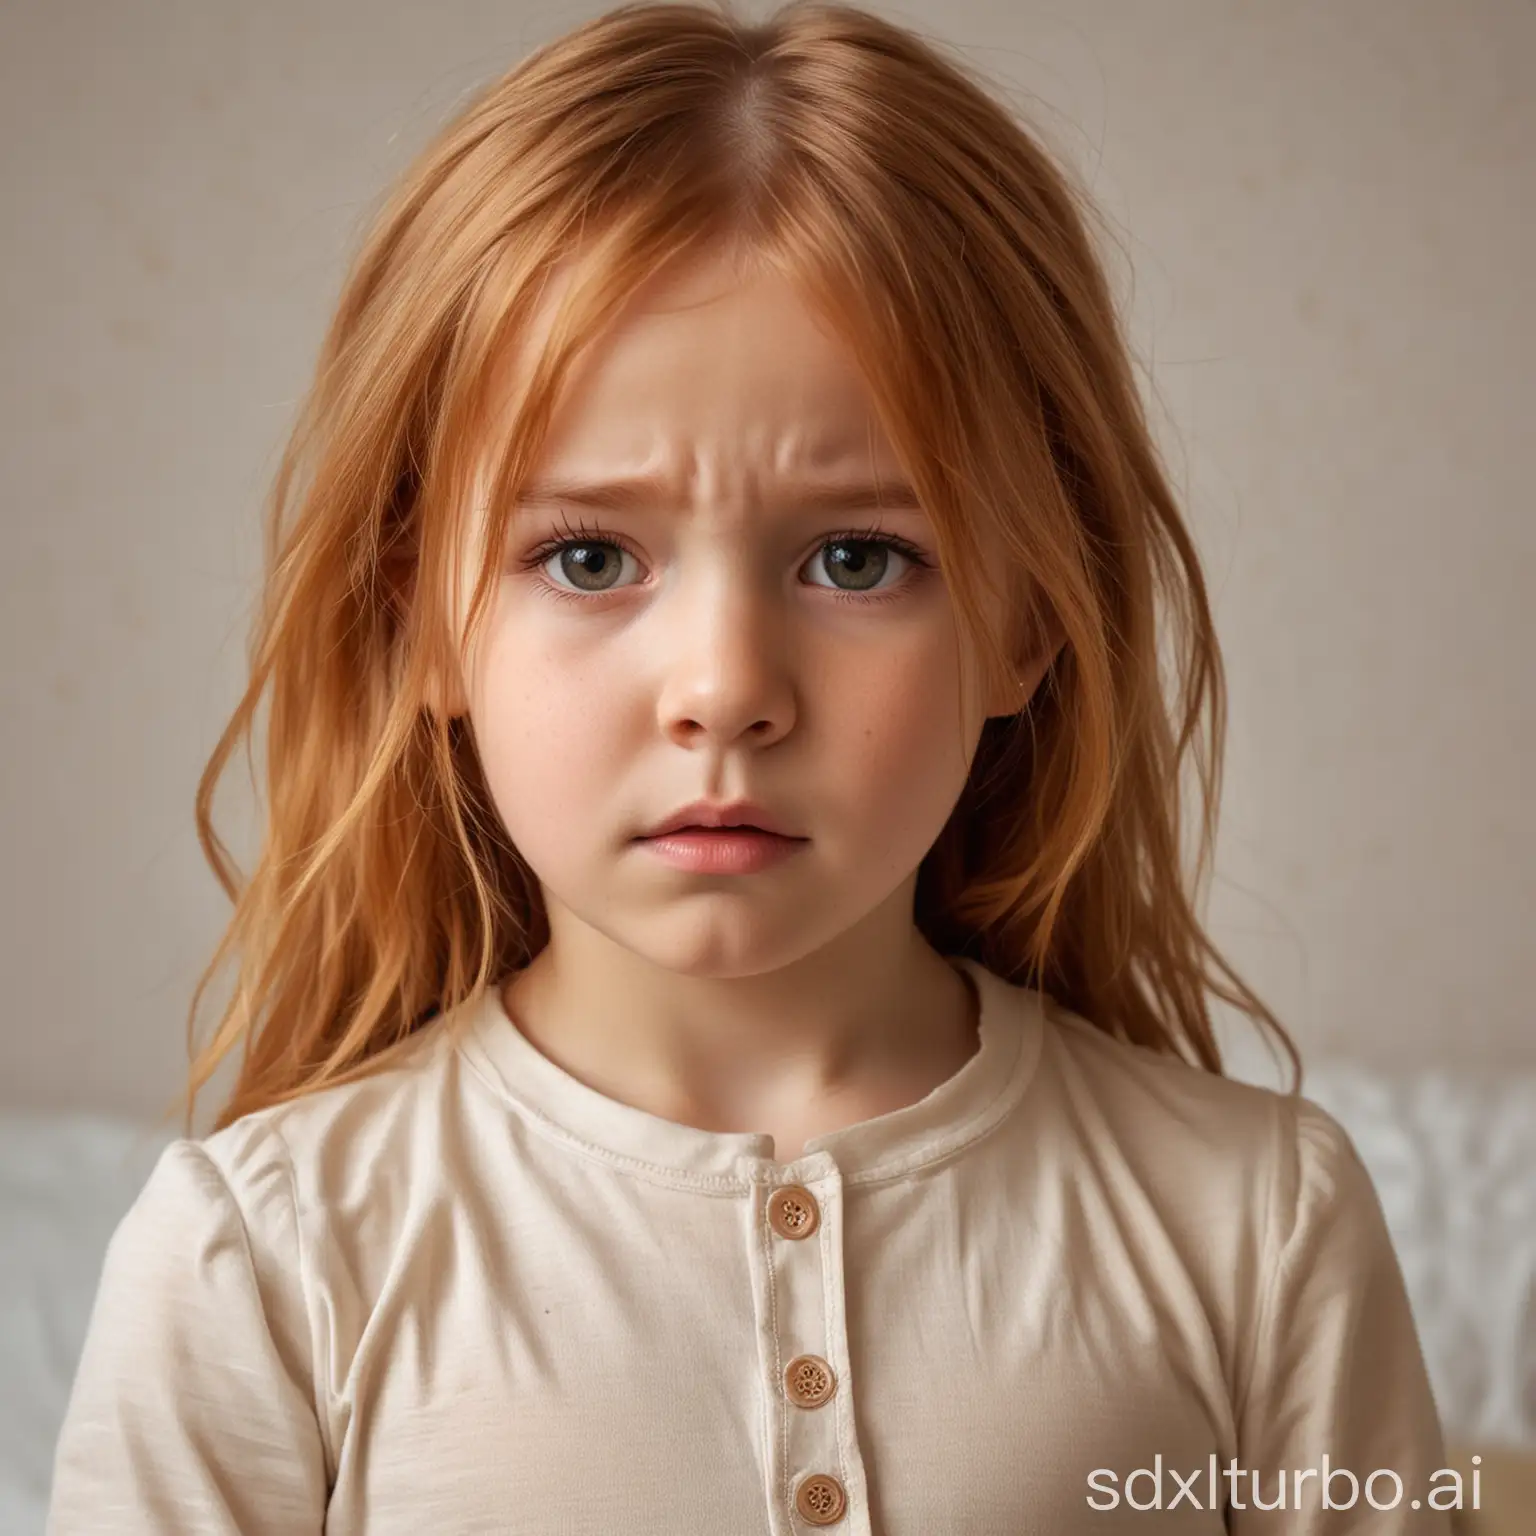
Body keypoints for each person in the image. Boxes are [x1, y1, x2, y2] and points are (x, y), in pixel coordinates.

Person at [48, 1, 1454, 1530]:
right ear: (423, 632)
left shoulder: (1256, 1229)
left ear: (1029, 621)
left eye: (859, 558)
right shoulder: (262, 1264)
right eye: (588, 556)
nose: (723, 689)